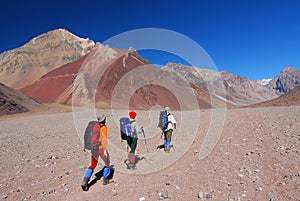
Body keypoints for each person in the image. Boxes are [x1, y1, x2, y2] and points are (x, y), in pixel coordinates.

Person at [81, 114, 111, 191]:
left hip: (93, 148)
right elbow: (104, 140)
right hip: (100, 148)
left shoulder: (94, 126)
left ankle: (85, 180)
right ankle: (106, 180)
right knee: (107, 162)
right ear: (103, 120)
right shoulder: (103, 127)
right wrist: (104, 150)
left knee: (93, 164)